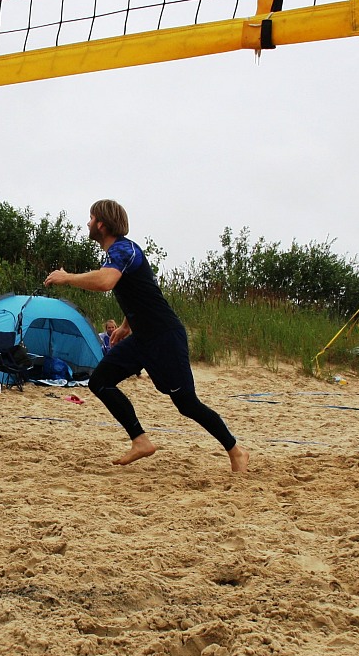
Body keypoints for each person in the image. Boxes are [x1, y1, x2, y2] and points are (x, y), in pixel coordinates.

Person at [45, 199, 248, 473]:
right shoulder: (117, 254)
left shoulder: (123, 249)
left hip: (164, 336)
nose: (87, 223)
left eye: (91, 218)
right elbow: (140, 291)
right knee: (100, 381)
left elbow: (105, 282)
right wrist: (126, 325)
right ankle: (140, 441)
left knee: (187, 404)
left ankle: (236, 450)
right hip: (142, 337)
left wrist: (67, 277)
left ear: (101, 224)